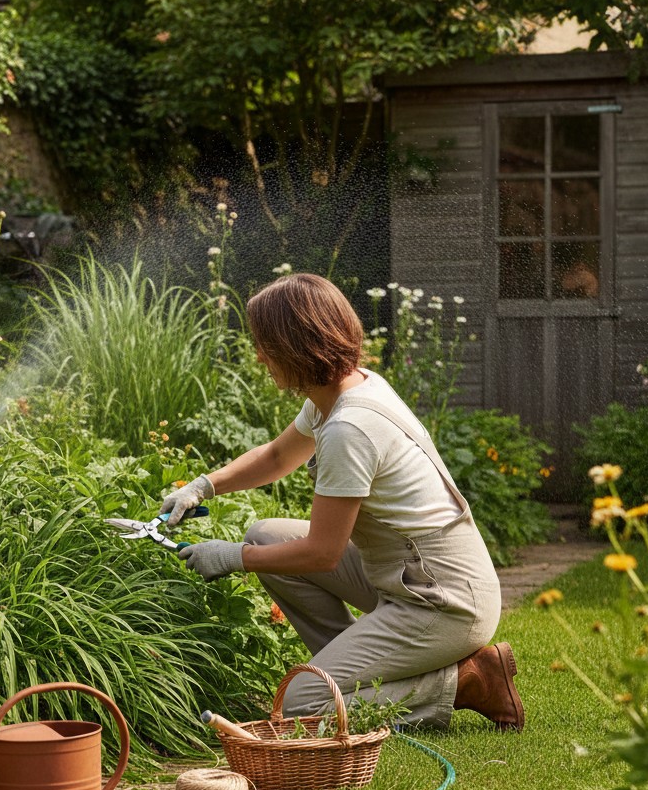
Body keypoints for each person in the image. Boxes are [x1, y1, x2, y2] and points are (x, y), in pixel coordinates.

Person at [161, 272, 524, 731]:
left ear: (298, 347)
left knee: (299, 706)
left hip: (442, 602)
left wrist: (232, 557)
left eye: (266, 346)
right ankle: (354, 673)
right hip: (406, 575)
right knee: (266, 535)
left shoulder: (349, 429)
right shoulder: (342, 391)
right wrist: (203, 485)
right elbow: (277, 456)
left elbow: (322, 553)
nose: (259, 357)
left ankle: (467, 681)